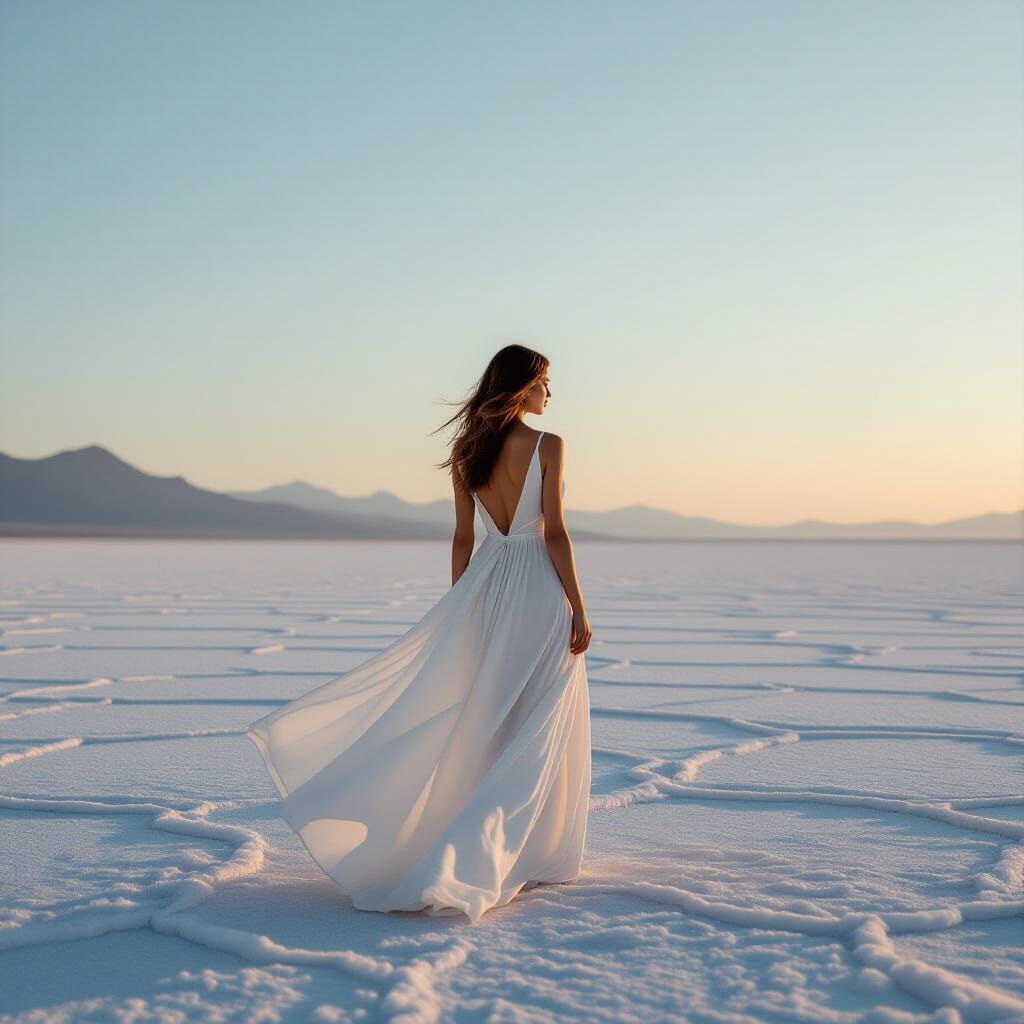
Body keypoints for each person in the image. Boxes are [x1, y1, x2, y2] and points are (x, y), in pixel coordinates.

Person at [247, 344, 592, 923]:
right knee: (538, 714)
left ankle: (492, 842)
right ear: (522, 386)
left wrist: (462, 607)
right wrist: (579, 606)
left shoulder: (467, 451)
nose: (549, 394)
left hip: (486, 583)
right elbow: (554, 531)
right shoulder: (549, 445)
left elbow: (463, 538)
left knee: (492, 715)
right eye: (544, 383)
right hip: (535, 587)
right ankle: (514, 851)